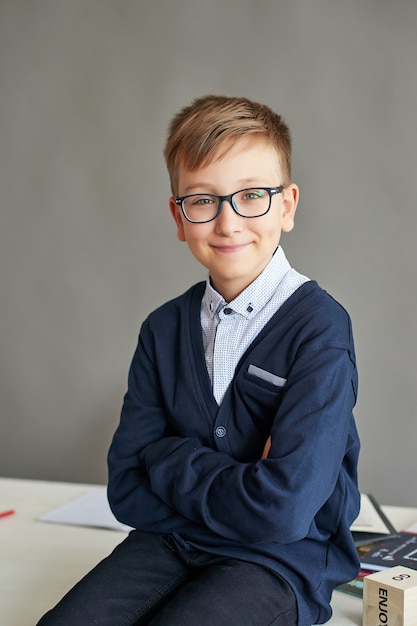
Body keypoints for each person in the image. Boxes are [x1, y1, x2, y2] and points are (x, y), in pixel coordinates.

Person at [37, 95, 361, 626]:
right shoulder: (162, 330)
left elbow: (286, 508)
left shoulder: (320, 329)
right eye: (204, 201)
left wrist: (165, 458)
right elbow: (125, 489)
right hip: (172, 541)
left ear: (288, 205)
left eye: (252, 195)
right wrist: (245, 482)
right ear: (179, 216)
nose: (228, 223)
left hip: (283, 559)